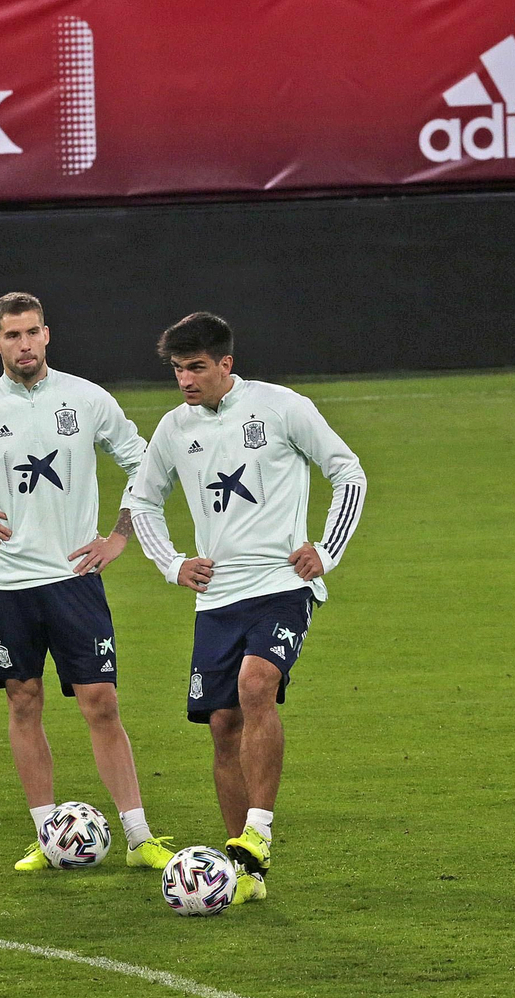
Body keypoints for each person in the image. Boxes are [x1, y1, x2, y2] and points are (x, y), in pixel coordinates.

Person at [0, 292, 176, 872]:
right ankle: (46, 835)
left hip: (75, 579)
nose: (24, 345)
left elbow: (146, 465)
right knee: (24, 702)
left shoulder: (87, 399)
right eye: (12, 335)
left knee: (101, 704)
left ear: (47, 334)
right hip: (6, 586)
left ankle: (139, 837)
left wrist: (120, 536)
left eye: (32, 333)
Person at [127, 312, 366, 902]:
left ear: (226, 364)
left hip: (281, 584)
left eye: (197, 367)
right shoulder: (174, 429)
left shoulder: (281, 407)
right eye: (178, 369)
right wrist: (172, 563)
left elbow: (347, 471)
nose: (185, 380)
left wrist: (327, 549)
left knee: (256, 686)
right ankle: (245, 874)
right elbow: (141, 499)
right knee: (222, 724)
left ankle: (258, 833)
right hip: (218, 598)